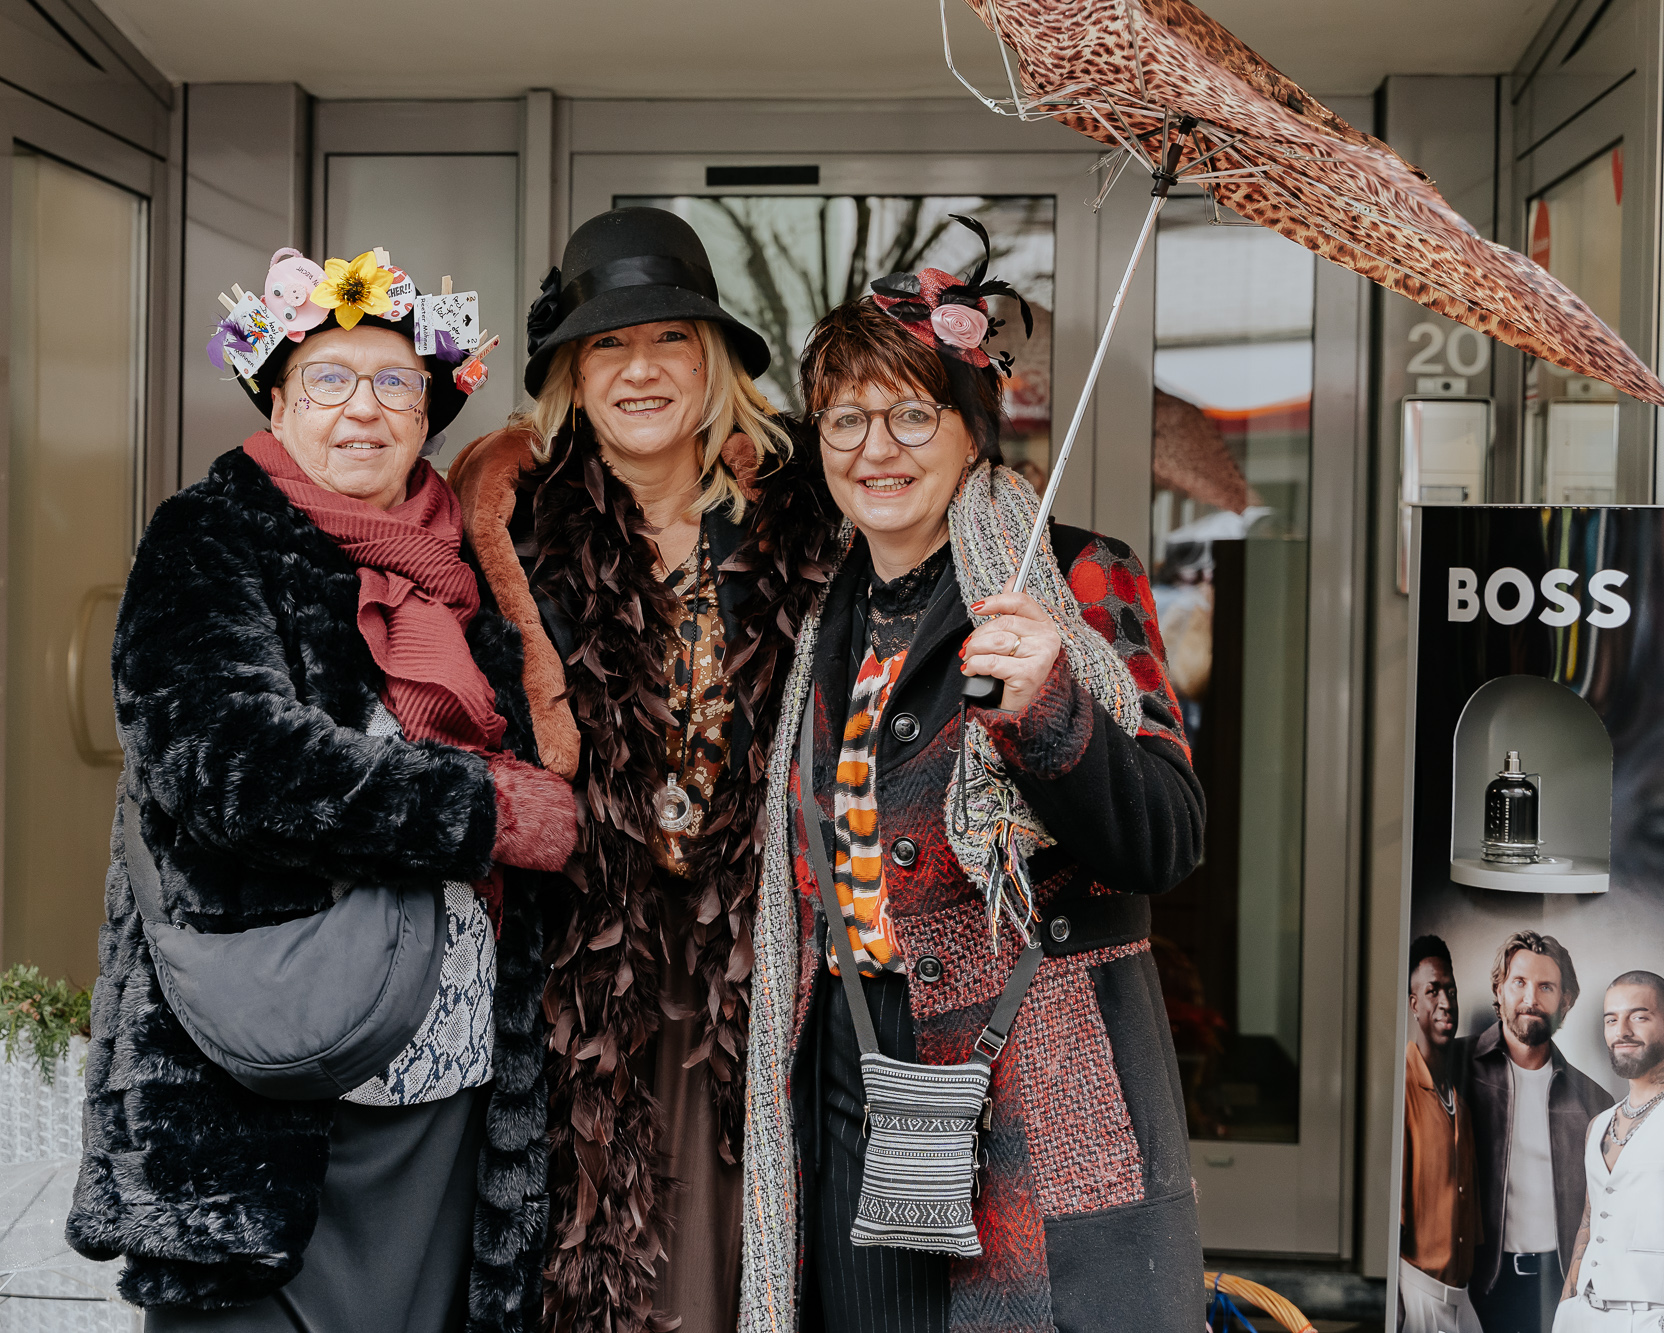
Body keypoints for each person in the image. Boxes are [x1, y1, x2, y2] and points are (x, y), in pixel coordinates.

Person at [65, 246, 578, 1332]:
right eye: (328, 380)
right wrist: (483, 809)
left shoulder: (470, 561)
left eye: (394, 382)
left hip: (445, 1075)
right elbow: (230, 761)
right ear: (279, 402)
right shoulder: (211, 535)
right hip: (265, 1077)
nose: (363, 408)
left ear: (427, 409)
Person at [737, 233, 1207, 1333]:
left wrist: (1051, 703)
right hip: (859, 1068)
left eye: (912, 414)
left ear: (968, 426)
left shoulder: (1074, 579)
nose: (875, 448)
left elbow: (1166, 839)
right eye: (844, 419)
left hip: (1038, 1082)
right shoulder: (820, 615)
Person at [449, 206, 836, 1331]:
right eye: (608, 344)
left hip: (756, 961)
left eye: (670, 337)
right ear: (572, 375)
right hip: (574, 966)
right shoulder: (515, 537)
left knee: (736, 1258)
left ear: (712, 362)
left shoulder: (805, 521)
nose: (641, 368)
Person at [1470, 932, 1614, 1333]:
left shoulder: (1594, 1102)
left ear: (1565, 1002)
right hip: (1475, 1284)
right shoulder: (1455, 1071)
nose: (1530, 998)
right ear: (1499, 990)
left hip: (1560, 1287)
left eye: (1546, 987)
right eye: (1519, 982)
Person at [1553, 970, 1664, 1332]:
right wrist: (1566, 1307)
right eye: (1611, 1019)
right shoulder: (1598, 1125)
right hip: (1584, 1314)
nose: (1622, 1031)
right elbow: (1590, 1221)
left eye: (1639, 1016)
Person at [1402, 935, 1483, 1333]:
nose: (1446, 1002)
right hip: (1418, 1295)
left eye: (1451, 991)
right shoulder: (1401, 1087)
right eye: (1433, 991)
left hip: (1461, 1300)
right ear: (1414, 1003)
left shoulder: (1459, 1104)